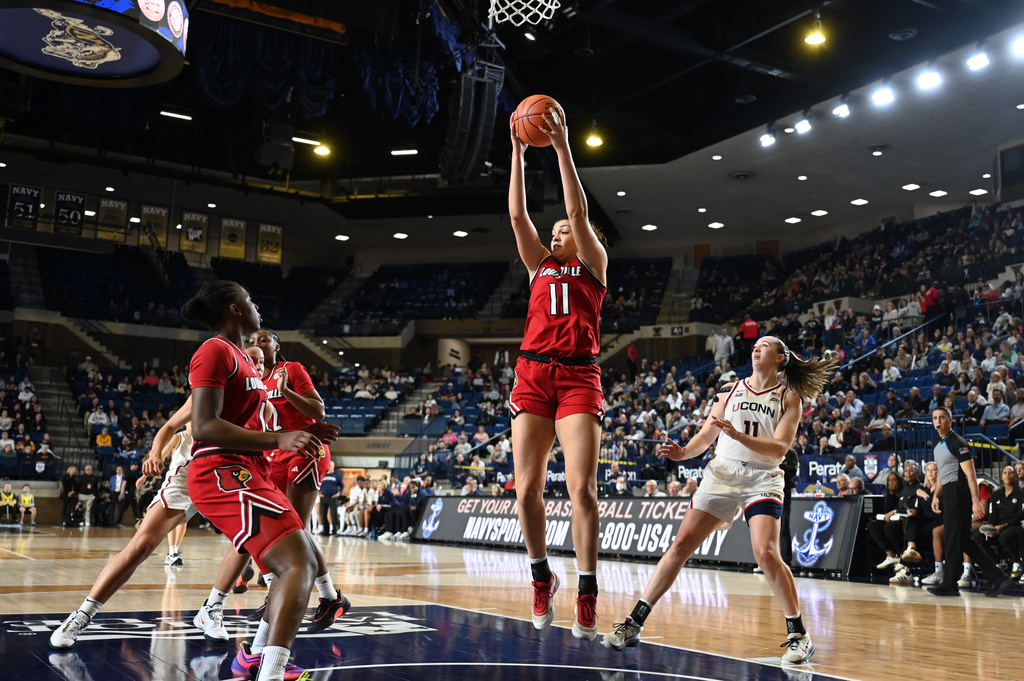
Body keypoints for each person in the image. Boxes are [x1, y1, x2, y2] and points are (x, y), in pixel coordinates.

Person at [603, 337, 837, 664]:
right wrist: (683, 452)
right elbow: (705, 437)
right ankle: (634, 622)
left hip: (762, 477)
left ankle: (799, 635)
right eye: (755, 345)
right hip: (722, 474)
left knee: (765, 553)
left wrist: (739, 436)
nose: (757, 348)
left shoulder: (789, 398)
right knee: (681, 544)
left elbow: (779, 449)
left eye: (765, 345)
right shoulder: (729, 390)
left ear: (780, 358)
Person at [508, 102, 608, 641]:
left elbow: (579, 209)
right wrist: (519, 151)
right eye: (557, 229)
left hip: (577, 376)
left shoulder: (591, 263)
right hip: (532, 375)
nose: (559, 230)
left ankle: (587, 592)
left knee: (581, 490)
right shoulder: (539, 266)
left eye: (565, 228)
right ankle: (541, 576)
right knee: (526, 492)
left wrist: (563, 147)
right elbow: (519, 217)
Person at [248, 328, 351, 627]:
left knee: (296, 530)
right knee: (268, 529)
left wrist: (289, 391)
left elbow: (318, 410)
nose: (257, 344)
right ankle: (275, 592)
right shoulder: (254, 381)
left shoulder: (290, 369)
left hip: (305, 451)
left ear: (277, 346)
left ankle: (330, 597)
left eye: (264, 339)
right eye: (253, 341)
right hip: (273, 456)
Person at [926, 407, 1012, 598]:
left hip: (959, 491)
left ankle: (949, 583)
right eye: (935, 418)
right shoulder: (938, 446)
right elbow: (942, 474)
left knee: (952, 538)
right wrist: (936, 496)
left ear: (950, 420)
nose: (938, 421)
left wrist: (975, 501)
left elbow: (970, 474)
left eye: (942, 418)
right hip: (948, 492)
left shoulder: (958, 442)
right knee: (963, 540)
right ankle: (997, 577)